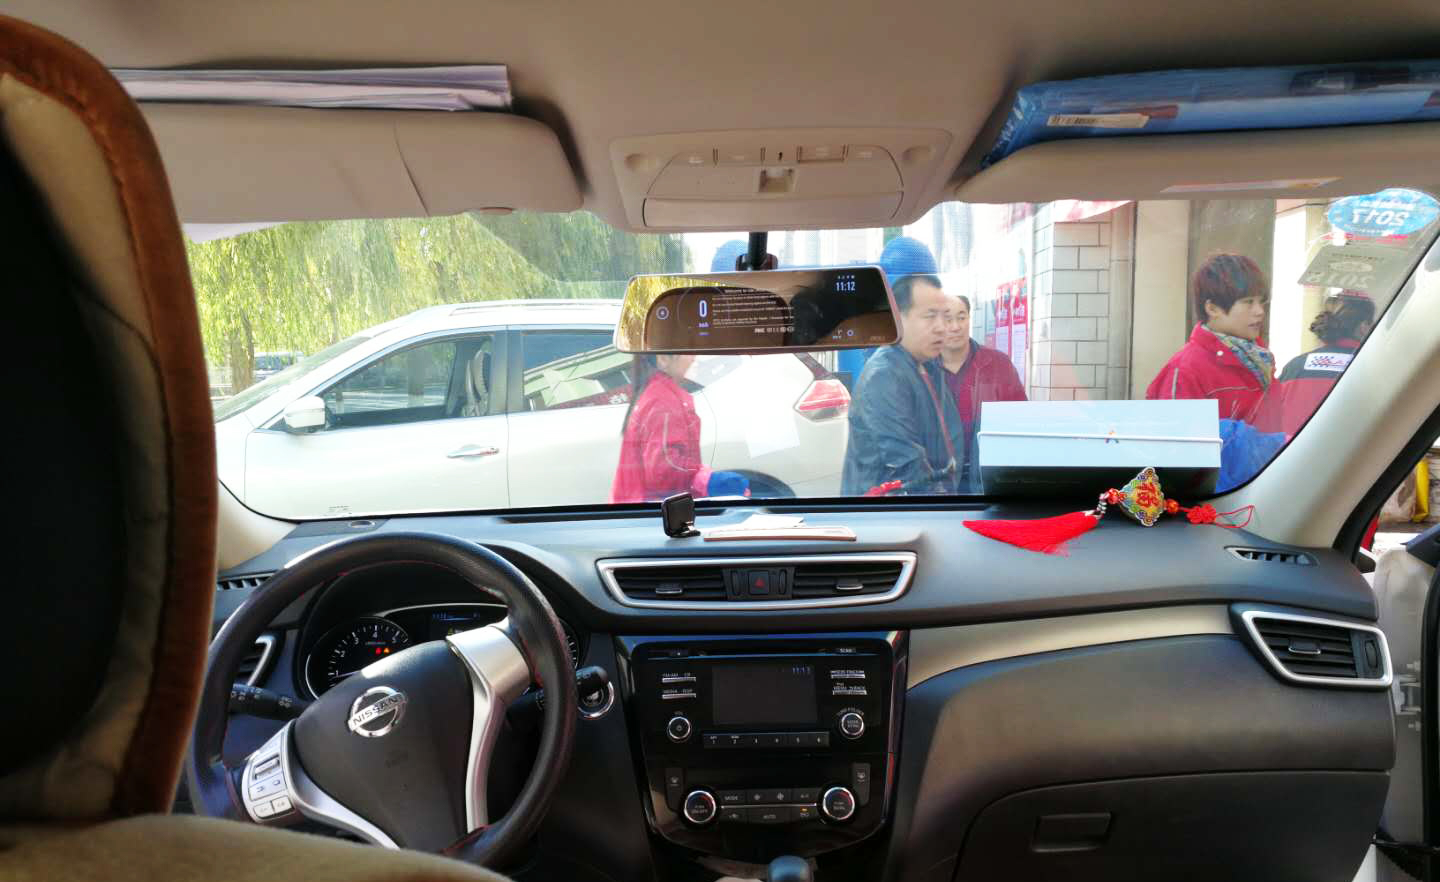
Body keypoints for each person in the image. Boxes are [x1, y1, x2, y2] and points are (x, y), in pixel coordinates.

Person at [841, 259, 966, 496]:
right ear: (899, 318)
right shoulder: (884, 376)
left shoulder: (929, 366)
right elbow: (908, 467)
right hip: (889, 511)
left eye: (944, 316)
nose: (942, 327)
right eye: (930, 316)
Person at [1145, 253, 1275, 423]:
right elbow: (1181, 435)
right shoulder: (1186, 371)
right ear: (1213, 309)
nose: (1260, 311)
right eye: (1248, 302)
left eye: (1261, 302)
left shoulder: (1259, 359)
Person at [610, 353, 749, 503]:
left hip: (648, 505)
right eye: (686, 351)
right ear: (663, 359)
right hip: (653, 509)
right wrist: (705, 480)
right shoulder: (662, 401)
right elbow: (663, 471)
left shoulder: (660, 393)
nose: (694, 357)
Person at [1254, 290, 1376, 437]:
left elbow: (1268, 420)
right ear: (1363, 327)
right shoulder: (1370, 368)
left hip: (1293, 450)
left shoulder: (1295, 366)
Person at [939, 291, 1026, 490]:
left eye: (961, 317)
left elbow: (1020, 420)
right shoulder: (922, 369)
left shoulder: (998, 364)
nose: (955, 326)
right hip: (937, 483)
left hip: (987, 479)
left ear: (969, 319)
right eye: (947, 319)